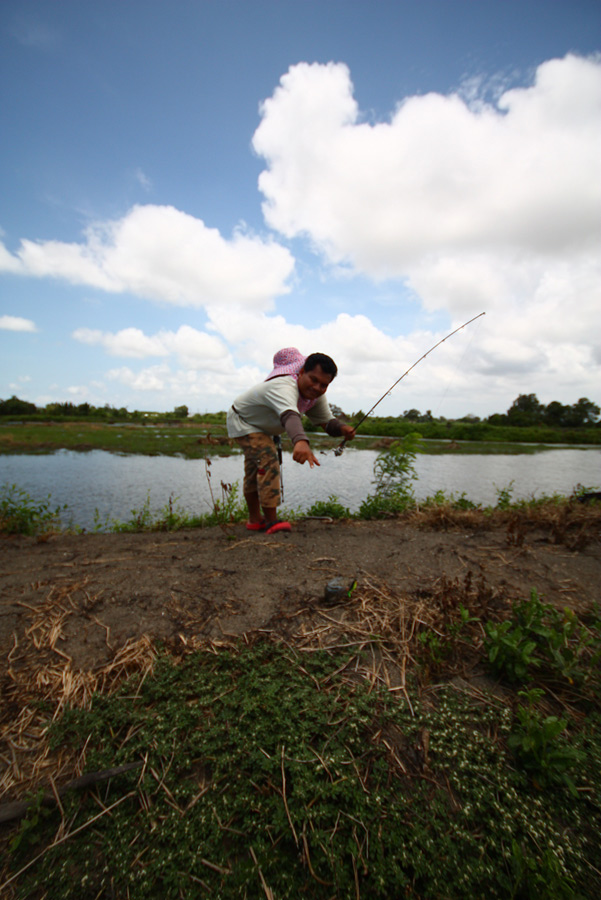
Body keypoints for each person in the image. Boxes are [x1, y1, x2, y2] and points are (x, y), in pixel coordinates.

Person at [227, 348, 355, 534]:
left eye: (324, 385)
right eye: (314, 380)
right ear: (301, 372)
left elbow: (326, 422)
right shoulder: (284, 385)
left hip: (262, 428)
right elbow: (290, 415)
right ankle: (271, 521)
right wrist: (300, 442)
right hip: (244, 421)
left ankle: (255, 520)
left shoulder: (315, 395)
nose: (317, 388)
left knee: (255, 469)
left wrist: (343, 429)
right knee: (268, 460)